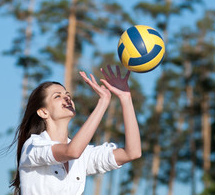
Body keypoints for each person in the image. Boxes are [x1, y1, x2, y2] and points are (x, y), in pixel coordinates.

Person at [9, 65, 141, 195]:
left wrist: (125, 98)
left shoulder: (83, 154)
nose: (67, 97)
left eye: (67, 94)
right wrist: (103, 102)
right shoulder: (33, 147)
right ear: (43, 112)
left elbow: (132, 153)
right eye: (57, 96)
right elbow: (72, 151)